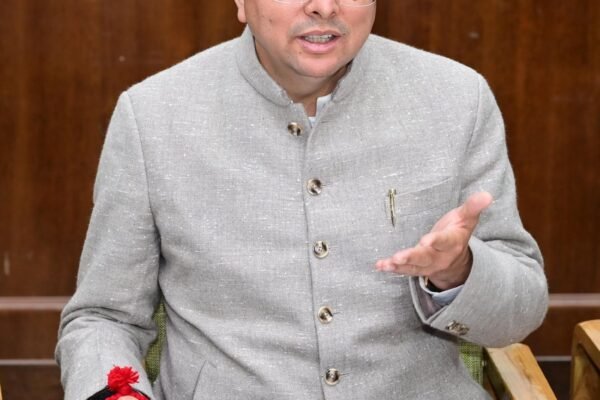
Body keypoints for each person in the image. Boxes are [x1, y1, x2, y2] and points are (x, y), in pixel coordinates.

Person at [56, 0, 549, 399]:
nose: (324, 8)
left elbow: (522, 309)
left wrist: (458, 271)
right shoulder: (153, 116)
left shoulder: (457, 99)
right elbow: (104, 318)